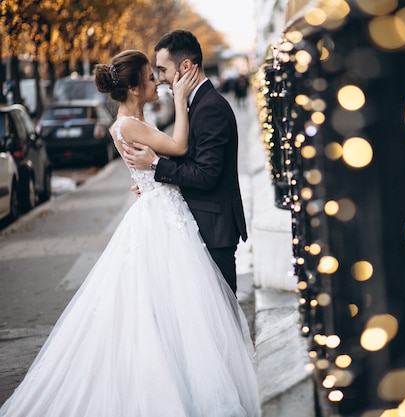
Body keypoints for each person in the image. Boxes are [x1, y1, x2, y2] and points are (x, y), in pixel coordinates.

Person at [0, 50, 260, 417]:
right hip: (162, 219)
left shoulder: (130, 121)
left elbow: (163, 160)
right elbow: (181, 146)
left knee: (169, 306)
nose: (158, 83)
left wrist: (154, 172)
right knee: (174, 305)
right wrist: (182, 103)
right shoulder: (130, 124)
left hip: (161, 210)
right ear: (136, 88)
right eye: (151, 78)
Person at [122, 30, 247, 295]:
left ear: (186, 66)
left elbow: (206, 175)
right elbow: (190, 159)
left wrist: (156, 165)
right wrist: (156, 185)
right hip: (201, 225)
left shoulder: (209, 108)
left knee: (222, 319)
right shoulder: (197, 104)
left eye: (163, 70)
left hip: (214, 229)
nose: (161, 78)